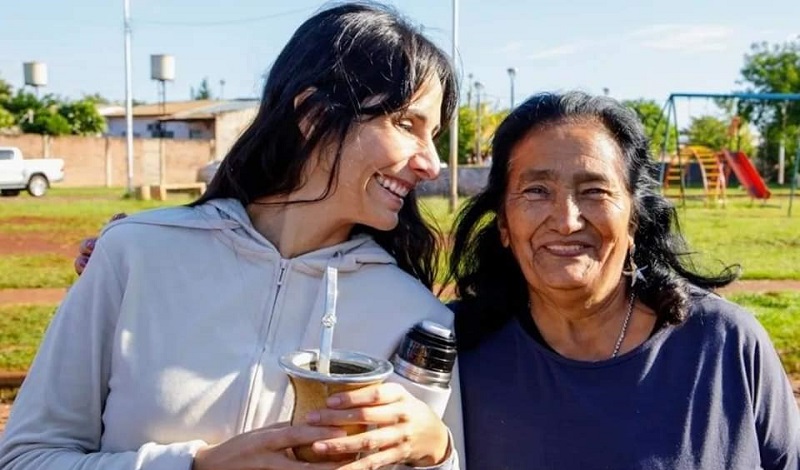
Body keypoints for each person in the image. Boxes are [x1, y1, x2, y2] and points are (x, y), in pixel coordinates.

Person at [0, 4, 465, 470]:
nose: (432, 164)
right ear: (314, 113)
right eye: (406, 124)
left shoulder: (418, 319)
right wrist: (196, 465)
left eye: (435, 135)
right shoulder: (134, 255)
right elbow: (25, 458)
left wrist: (439, 455)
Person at [448, 90, 800, 469]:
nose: (566, 221)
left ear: (634, 219)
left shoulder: (724, 344)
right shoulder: (458, 356)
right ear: (503, 222)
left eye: (594, 191)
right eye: (536, 191)